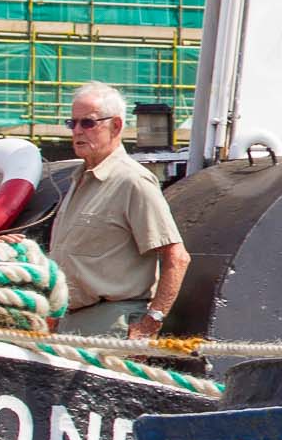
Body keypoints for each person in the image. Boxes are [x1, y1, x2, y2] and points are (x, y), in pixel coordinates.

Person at [47, 82, 190, 341]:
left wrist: (151, 323)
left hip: (111, 327)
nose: (77, 131)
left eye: (88, 123)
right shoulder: (79, 179)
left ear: (115, 126)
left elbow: (177, 257)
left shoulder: (132, 181)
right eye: (73, 123)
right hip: (71, 325)